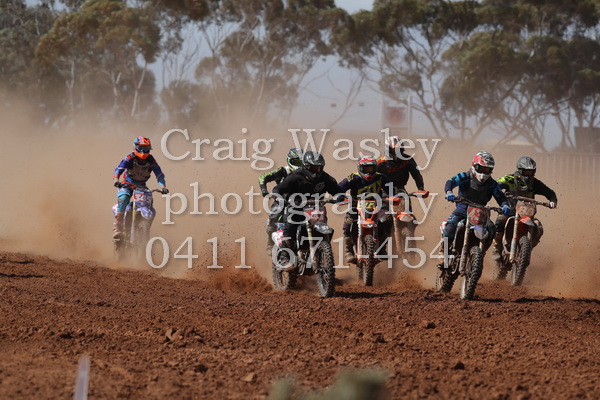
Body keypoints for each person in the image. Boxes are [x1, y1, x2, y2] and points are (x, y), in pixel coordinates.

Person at [440, 151, 510, 262]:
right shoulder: (465, 176)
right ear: (475, 166)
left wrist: (505, 205)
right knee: (450, 227)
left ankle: (481, 253)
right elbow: (451, 181)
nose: (484, 173)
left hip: (481, 213)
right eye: (482, 169)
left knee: (492, 229)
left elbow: (500, 196)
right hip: (463, 209)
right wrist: (449, 192)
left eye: (487, 170)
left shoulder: (492, 184)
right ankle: (443, 251)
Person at [272, 151, 343, 258]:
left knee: (326, 229)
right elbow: (278, 189)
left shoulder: (325, 178)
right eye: (313, 168)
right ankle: (285, 255)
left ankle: (322, 253)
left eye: (319, 167)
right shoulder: (295, 176)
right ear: (306, 166)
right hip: (295, 208)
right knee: (290, 227)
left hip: (316, 209)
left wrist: (340, 197)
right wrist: (278, 197)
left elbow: (337, 191)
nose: (316, 170)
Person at [491, 156, 558, 262]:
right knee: (500, 220)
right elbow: (494, 185)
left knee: (539, 228)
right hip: (509, 211)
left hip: (527, 214)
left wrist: (552, 201)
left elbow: (550, 193)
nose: (528, 175)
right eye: (526, 171)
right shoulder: (509, 179)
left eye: (530, 172)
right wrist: (498, 191)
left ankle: (527, 250)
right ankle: (496, 247)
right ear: (519, 170)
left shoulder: (535, 183)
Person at [338, 155, 395, 264]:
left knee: (387, 219)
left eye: (371, 168)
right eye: (366, 168)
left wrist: (395, 196)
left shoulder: (381, 177)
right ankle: (348, 251)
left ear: (375, 168)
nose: (369, 171)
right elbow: (339, 188)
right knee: (348, 223)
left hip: (376, 207)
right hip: (356, 207)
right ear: (360, 168)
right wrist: (339, 196)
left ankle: (382, 248)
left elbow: (392, 189)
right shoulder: (353, 178)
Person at [112, 136, 169, 240]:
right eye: (141, 148)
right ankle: (117, 229)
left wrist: (163, 187)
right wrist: (116, 181)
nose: (143, 151)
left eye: (146, 148)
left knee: (150, 205)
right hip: (127, 184)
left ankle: (145, 230)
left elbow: (159, 174)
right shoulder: (130, 158)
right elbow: (119, 169)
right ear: (136, 147)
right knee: (123, 198)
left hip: (141, 186)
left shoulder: (151, 160)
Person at [258, 148, 303, 255]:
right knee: (274, 216)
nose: (298, 165)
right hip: (282, 201)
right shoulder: (283, 171)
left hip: (301, 201)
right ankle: (270, 242)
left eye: (301, 162)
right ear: (289, 161)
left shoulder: (307, 173)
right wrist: (264, 190)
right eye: (296, 162)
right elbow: (263, 177)